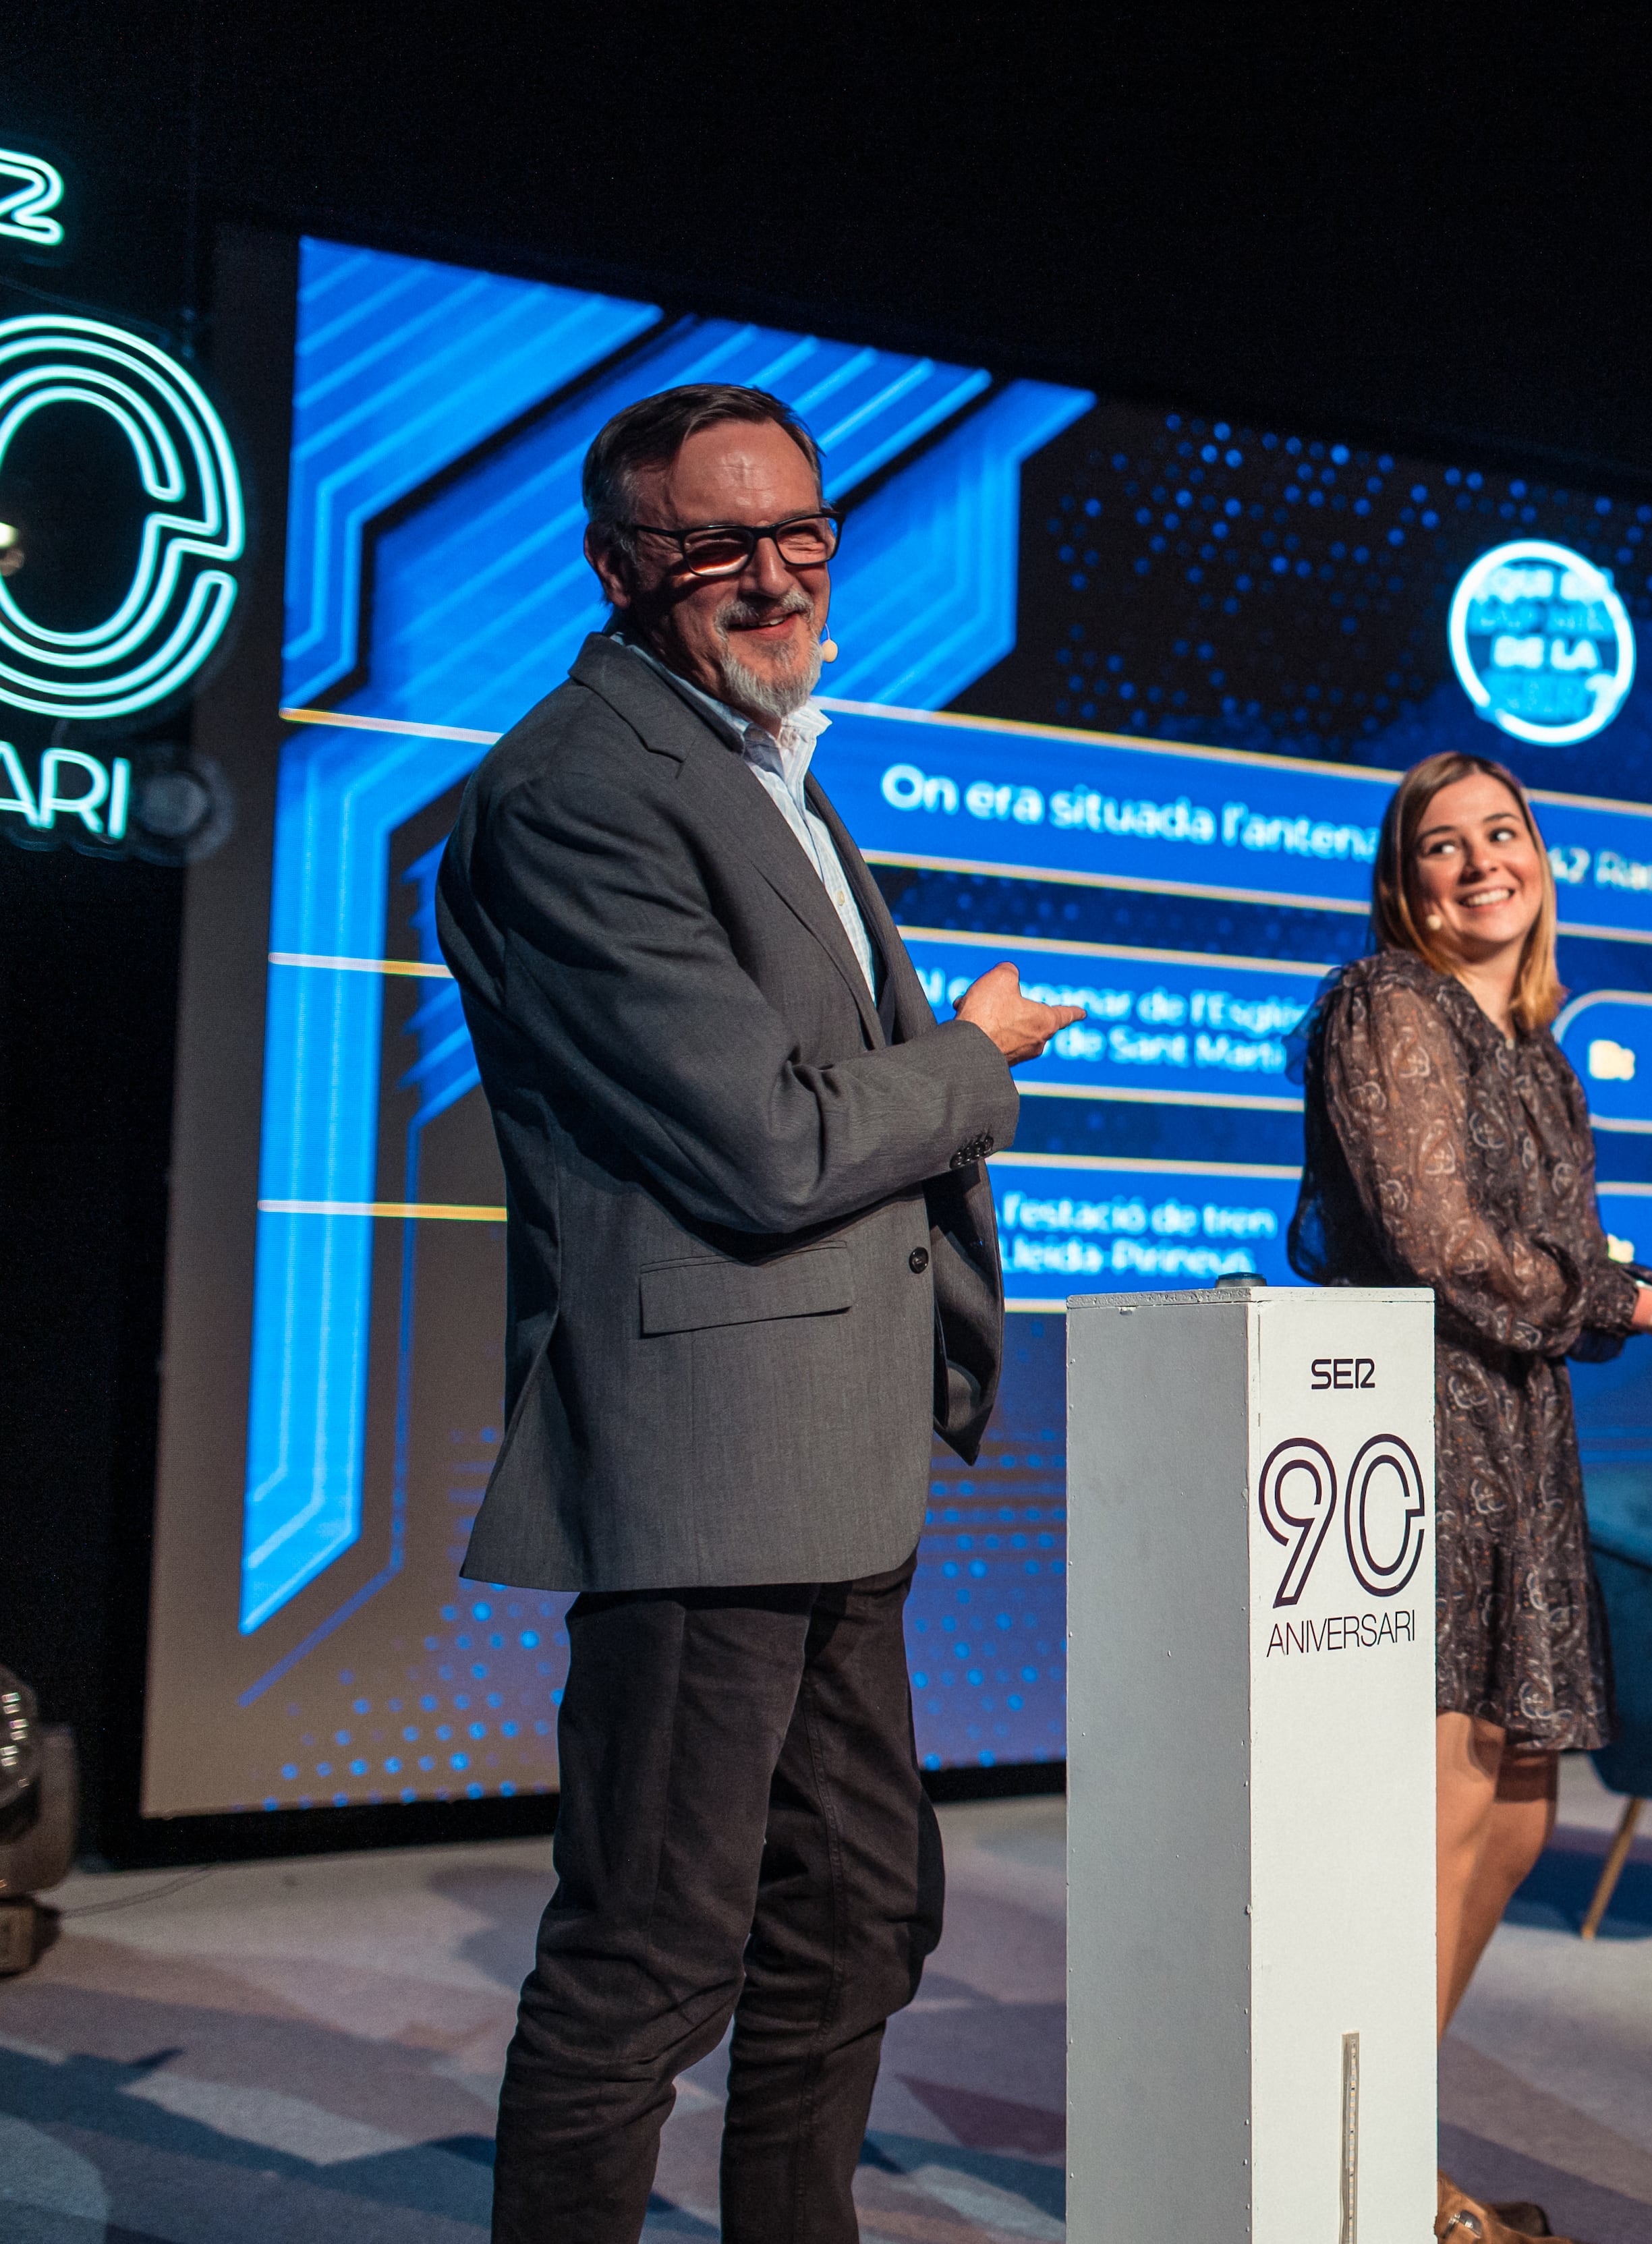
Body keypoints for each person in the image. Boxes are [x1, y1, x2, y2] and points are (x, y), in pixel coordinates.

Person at [436, 383, 1082, 2242]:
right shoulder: (575, 793)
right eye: (722, 543)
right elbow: (770, 1146)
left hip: (832, 1461)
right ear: (623, 566)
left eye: (801, 532)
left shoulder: (757, 765)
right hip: (711, 1464)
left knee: (861, 1914)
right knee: (652, 1947)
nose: (776, 574)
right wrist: (969, 1061)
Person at [1290, 750, 1652, 2244]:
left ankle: (1380, 2142)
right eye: (1444, 843)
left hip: (1523, 1441)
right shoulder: (1389, 1006)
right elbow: (1434, 1235)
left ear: (1543, 859)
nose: (1481, 860)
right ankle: (1356, 2170)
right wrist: (1639, 1300)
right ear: (1403, 880)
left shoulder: (1542, 1047)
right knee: (1440, 1809)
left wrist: (1625, 1295)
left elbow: (1533, 1248)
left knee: (1513, 1809)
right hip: (1417, 1437)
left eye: (1505, 832)